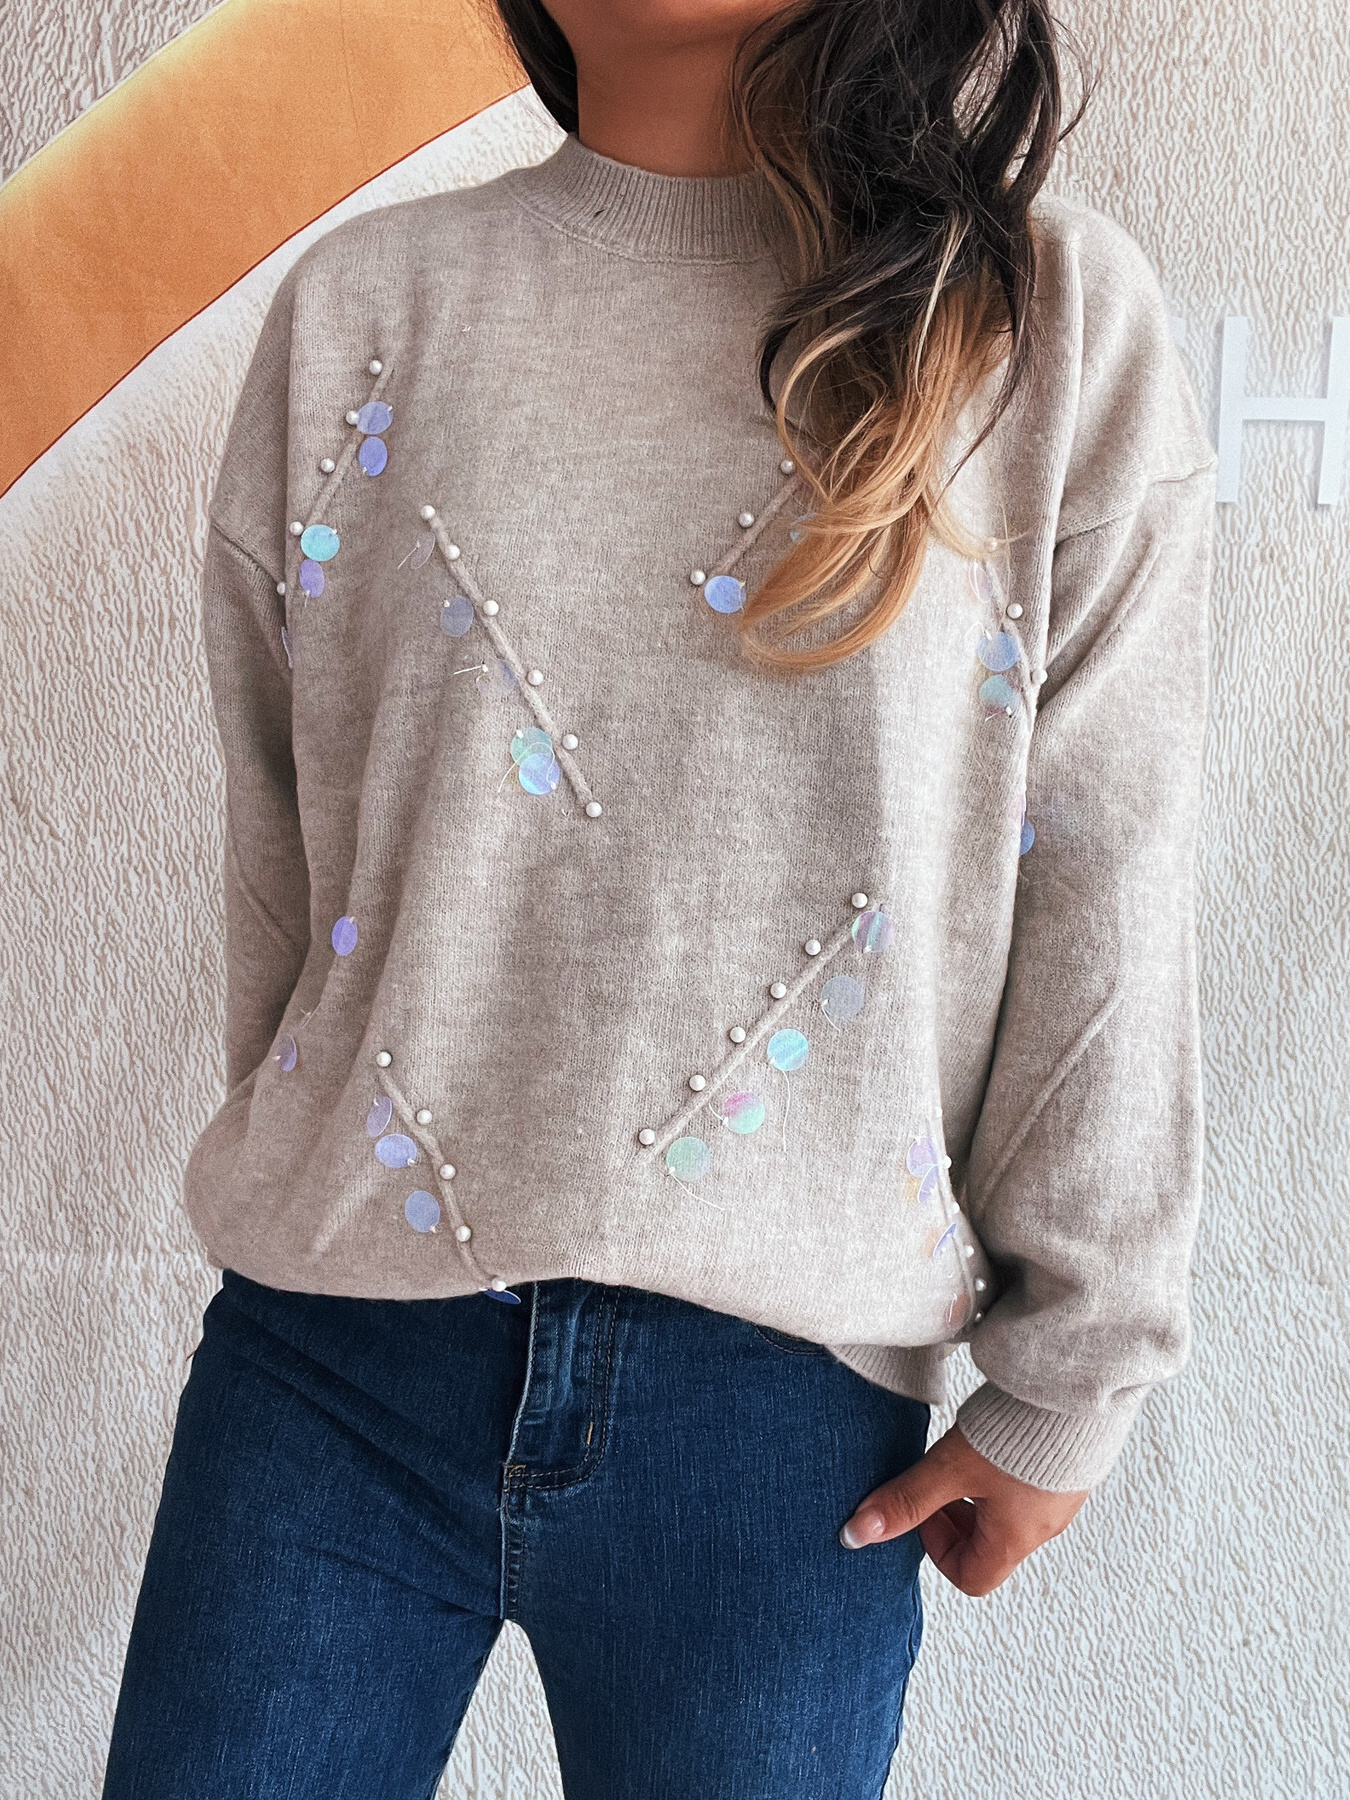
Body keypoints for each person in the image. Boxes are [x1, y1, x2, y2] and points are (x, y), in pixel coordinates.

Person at [101, 1, 1214, 1794]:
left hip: (785, 1416)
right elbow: (288, 848)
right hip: (324, 1373)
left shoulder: (1036, 320)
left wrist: (1068, 1379)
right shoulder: (365, 306)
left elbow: (1102, 872)